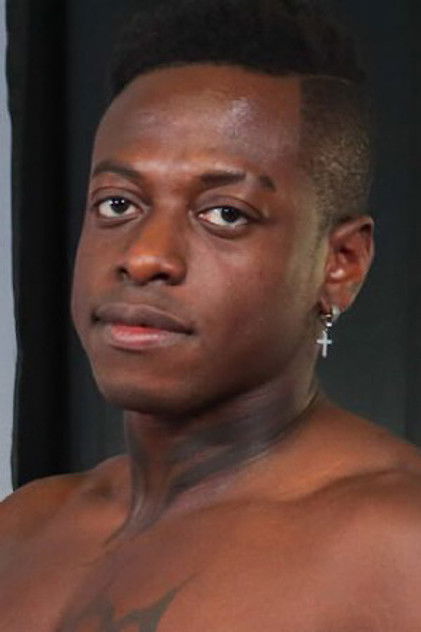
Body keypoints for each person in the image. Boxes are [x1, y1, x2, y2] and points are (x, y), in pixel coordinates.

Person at [1, 1, 421, 630]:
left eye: (225, 214)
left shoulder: (401, 544)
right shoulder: (21, 530)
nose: (144, 256)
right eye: (117, 204)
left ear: (341, 263)